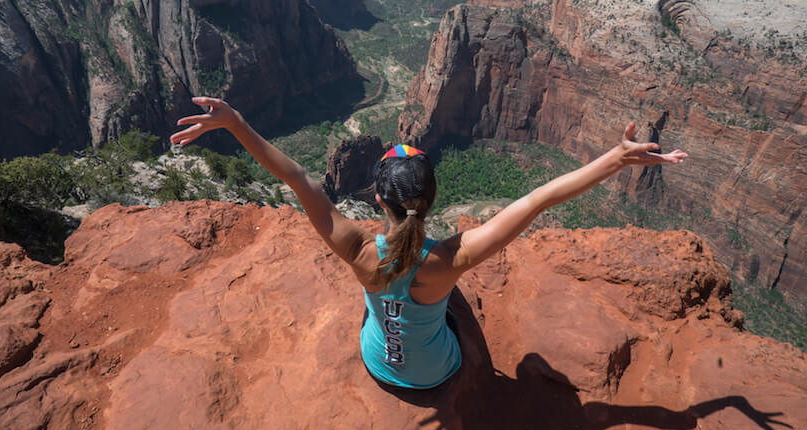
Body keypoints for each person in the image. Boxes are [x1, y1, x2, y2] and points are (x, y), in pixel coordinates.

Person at [170, 97, 687, 391]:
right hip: (437, 376)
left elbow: (298, 178)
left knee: (377, 311)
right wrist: (615, 160)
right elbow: (538, 200)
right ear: (433, 201)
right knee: (455, 310)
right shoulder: (451, 259)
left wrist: (234, 123)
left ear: (377, 199)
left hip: (378, 365)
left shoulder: (356, 250)